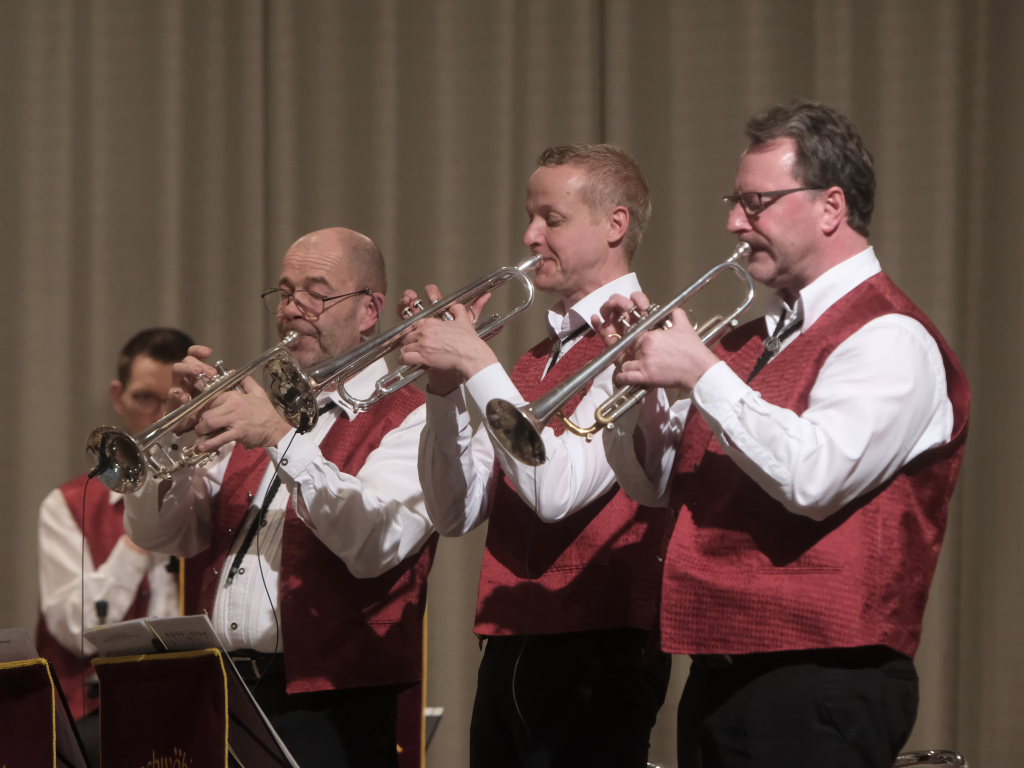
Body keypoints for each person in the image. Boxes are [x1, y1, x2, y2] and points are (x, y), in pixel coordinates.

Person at [598, 101, 971, 768]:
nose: (734, 223)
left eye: (757, 203)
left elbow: (814, 478)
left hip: (819, 678)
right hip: (720, 672)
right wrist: (641, 387)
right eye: (735, 203)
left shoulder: (890, 335)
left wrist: (702, 374)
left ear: (831, 207)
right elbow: (654, 486)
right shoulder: (746, 342)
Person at [123, 227, 437, 768]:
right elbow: (163, 535)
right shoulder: (263, 412)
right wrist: (174, 434)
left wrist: (278, 438)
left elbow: (372, 545)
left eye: (317, 293)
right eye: (286, 293)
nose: (293, 308)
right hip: (224, 691)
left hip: (334, 708)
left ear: (369, 310)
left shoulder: (414, 419)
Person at [399, 144, 671, 768]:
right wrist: (445, 390)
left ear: (615, 225)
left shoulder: (642, 339)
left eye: (552, 218)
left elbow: (557, 493)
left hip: (597, 647)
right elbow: (454, 513)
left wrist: (475, 361)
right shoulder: (532, 361)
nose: (529, 235)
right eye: (531, 217)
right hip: (510, 641)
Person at [36, 326, 193, 760]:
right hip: (99, 709)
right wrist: (146, 530)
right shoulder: (67, 506)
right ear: (118, 398)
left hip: (197, 701)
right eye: (145, 398)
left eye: (172, 401)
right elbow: (79, 633)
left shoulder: (214, 491)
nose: (159, 416)